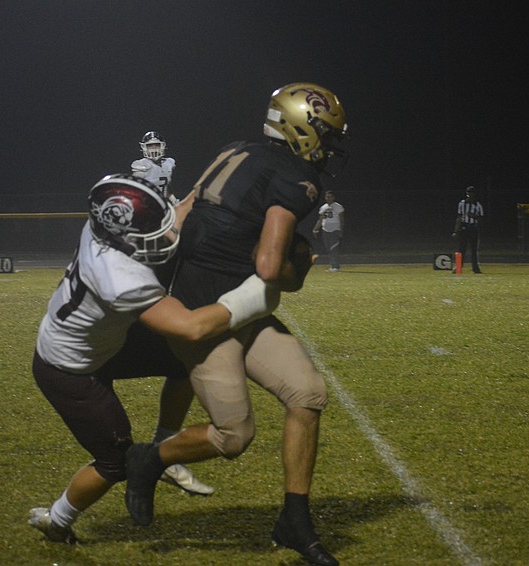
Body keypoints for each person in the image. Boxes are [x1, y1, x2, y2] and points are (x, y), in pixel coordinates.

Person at [124, 83, 348, 566]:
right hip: (210, 314)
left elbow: (180, 215)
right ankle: (151, 458)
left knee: (308, 393)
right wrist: (299, 267)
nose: (327, 146)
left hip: (225, 303)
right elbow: (270, 268)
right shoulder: (296, 177)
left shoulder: (234, 150)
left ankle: (294, 519)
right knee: (234, 435)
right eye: (324, 135)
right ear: (300, 129)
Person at [28, 174, 279, 544]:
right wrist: (255, 295)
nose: (161, 235)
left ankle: (167, 445)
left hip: (103, 343)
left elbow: (174, 218)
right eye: (149, 231)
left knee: (180, 361)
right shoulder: (120, 277)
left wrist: (216, 178)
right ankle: (58, 520)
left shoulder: (103, 227)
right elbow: (191, 327)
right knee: (115, 462)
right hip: (69, 369)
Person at [131, 130, 177, 203]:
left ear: (162, 146)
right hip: (147, 205)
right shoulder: (141, 165)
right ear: (144, 147)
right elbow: (133, 189)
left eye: (156, 145)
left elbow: (165, 187)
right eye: (150, 146)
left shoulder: (168, 163)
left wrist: (174, 200)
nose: (153, 148)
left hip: (163, 205)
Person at [452, 185, 484, 274]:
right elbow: (459, 217)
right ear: (467, 194)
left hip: (473, 227)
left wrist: (473, 216)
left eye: (472, 193)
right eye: (469, 193)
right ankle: (458, 267)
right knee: (461, 249)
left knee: (474, 250)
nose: (470, 195)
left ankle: (475, 268)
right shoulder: (461, 203)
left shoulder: (478, 205)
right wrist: (456, 230)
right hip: (464, 227)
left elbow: (481, 218)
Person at [313, 190, 345, 272]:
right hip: (325, 230)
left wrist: (341, 230)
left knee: (334, 248)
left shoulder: (338, 207)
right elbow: (320, 220)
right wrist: (316, 228)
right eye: (327, 196)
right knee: (328, 248)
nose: (329, 198)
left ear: (333, 197)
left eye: (330, 196)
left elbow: (341, 220)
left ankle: (335, 266)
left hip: (335, 229)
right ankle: (332, 265)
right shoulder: (323, 207)